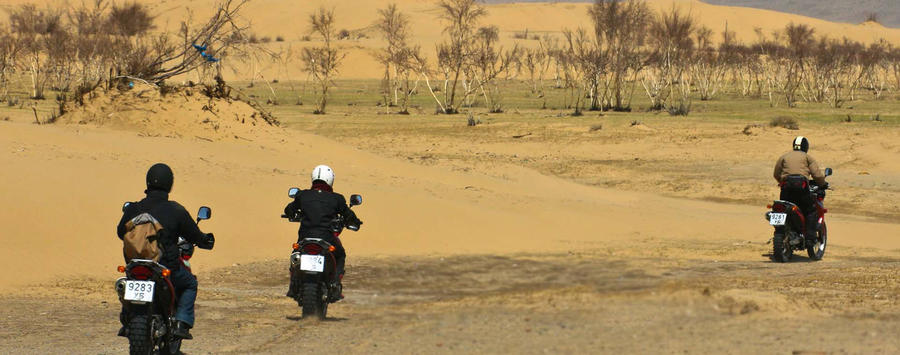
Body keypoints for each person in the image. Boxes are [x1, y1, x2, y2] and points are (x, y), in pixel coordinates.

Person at [116, 163, 215, 339]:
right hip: (164, 267)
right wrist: (205, 239)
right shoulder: (175, 210)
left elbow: (119, 232)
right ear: (169, 184)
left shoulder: (133, 208)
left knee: (128, 280)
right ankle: (181, 323)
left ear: (147, 182)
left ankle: (128, 318)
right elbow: (194, 235)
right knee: (190, 283)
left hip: (135, 266)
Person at [283, 165, 362, 298]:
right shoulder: (337, 199)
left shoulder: (303, 195)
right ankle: (335, 283)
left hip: (305, 238)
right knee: (340, 255)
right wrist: (355, 222)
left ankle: (293, 284)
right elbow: (349, 216)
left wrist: (293, 214)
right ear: (330, 180)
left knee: (295, 254)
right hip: (327, 238)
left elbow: (288, 210)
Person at [773, 136, 827, 243]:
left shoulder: (784, 157)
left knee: (784, 209)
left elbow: (776, 174)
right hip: (802, 191)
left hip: (786, 191)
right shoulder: (807, 157)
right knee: (811, 210)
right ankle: (810, 239)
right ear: (806, 147)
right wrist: (823, 184)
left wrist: (782, 182)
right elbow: (817, 175)